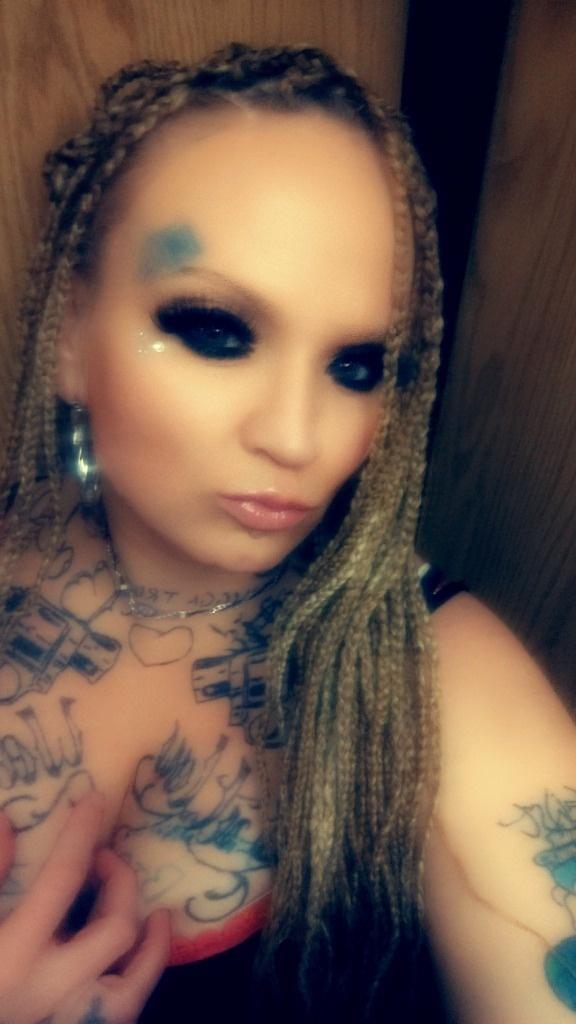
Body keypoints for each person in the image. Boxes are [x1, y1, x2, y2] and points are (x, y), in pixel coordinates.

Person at [0, 40, 575, 1024]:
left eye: (358, 365)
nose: (299, 438)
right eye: (215, 329)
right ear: (68, 334)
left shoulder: (440, 679)